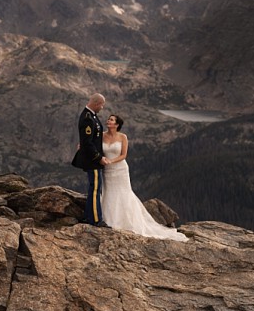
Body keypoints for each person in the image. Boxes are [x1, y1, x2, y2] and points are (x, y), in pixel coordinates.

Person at [100, 114, 188, 242]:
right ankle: (108, 219)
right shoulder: (102, 135)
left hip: (119, 169)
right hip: (107, 170)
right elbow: (92, 143)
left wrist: (111, 161)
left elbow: (124, 155)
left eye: (111, 120)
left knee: (123, 193)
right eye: (108, 119)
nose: (108, 121)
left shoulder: (122, 137)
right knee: (109, 192)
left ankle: (126, 221)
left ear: (117, 124)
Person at [72, 93, 109, 227]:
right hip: (92, 161)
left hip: (93, 160)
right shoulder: (87, 118)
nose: (102, 107)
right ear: (96, 103)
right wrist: (98, 158)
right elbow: (88, 143)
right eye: (102, 105)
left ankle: (89, 216)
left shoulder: (91, 116)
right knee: (95, 190)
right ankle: (95, 220)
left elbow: (91, 138)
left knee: (95, 189)